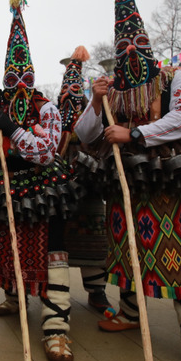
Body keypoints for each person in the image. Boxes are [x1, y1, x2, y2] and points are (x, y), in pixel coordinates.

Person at [74, 0, 181, 361]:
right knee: (127, 247)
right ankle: (128, 312)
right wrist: (95, 100)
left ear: (148, 44)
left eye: (137, 44)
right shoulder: (111, 90)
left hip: (170, 176)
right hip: (125, 181)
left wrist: (135, 133)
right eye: (123, 45)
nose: (130, 51)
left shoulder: (172, 75)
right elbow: (84, 134)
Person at [0, 0, 83, 361]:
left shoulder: (46, 106)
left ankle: (56, 326)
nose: (18, 83)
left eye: (24, 76)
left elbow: (47, 150)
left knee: (51, 249)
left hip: (42, 183)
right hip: (6, 184)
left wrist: (14, 129)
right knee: (5, 242)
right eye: (11, 76)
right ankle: (15, 296)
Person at [55, 46, 114, 315]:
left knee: (94, 237)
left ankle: (97, 290)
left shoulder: (92, 114)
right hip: (58, 189)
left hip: (88, 186)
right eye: (66, 93)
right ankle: (56, 289)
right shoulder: (52, 117)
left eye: (76, 92)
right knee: (57, 239)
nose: (71, 98)